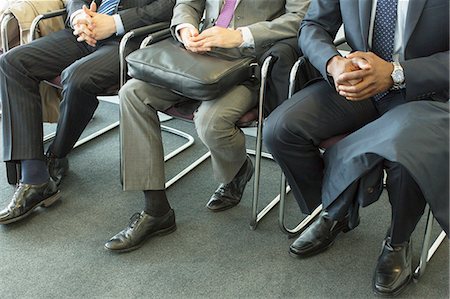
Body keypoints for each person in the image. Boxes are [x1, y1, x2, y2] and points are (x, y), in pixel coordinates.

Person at [263, 0, 448, 296]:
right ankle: (337, 207)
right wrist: (333, 63)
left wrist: (397, 73)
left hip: (423, 93)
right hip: (356, 84)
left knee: (405, 157)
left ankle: (397, 240)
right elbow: (313, 26)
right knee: (280, 130)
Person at [104, 0, 311, 253]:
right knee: (132, 93)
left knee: (210, 121)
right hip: (197, 52)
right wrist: (185, 27)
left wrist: (239, 36)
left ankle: (237, 170)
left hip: (250, 65)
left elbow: (302, 17)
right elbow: (187, 3)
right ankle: (156, 211)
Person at [0, 0, 176, 225]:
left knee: (77, 78)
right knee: (13, 62)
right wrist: (78, 17)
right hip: (87, 30)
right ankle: (36, 177)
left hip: (131, 38)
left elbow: (172, 5)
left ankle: (56, 155)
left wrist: (114, 23)